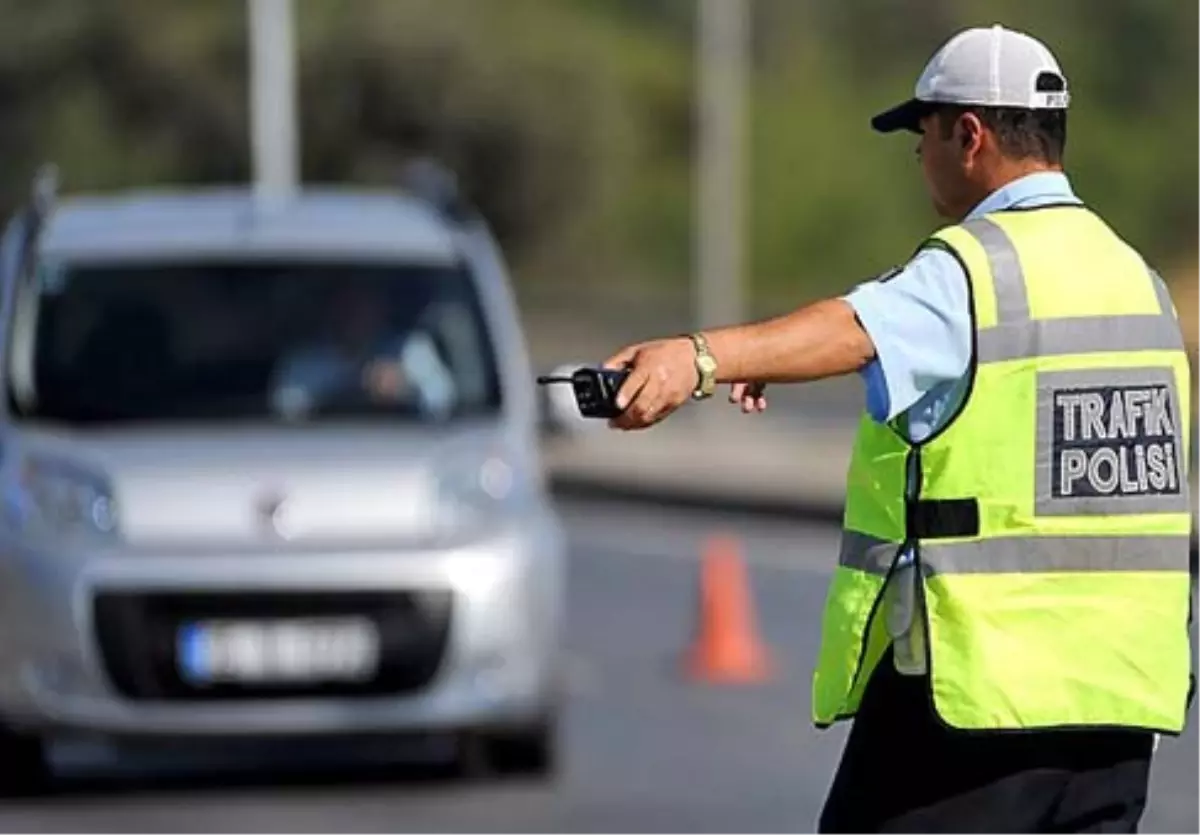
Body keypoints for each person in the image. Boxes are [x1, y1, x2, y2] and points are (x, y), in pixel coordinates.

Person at [602, 24, 1193, 834]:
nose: (919, 159)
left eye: (922, 137)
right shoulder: (1139, 282)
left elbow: (855, 326)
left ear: (970, 136)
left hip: (981, 706)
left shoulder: (974, 266)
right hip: (1121, 711)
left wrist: (697, 358)